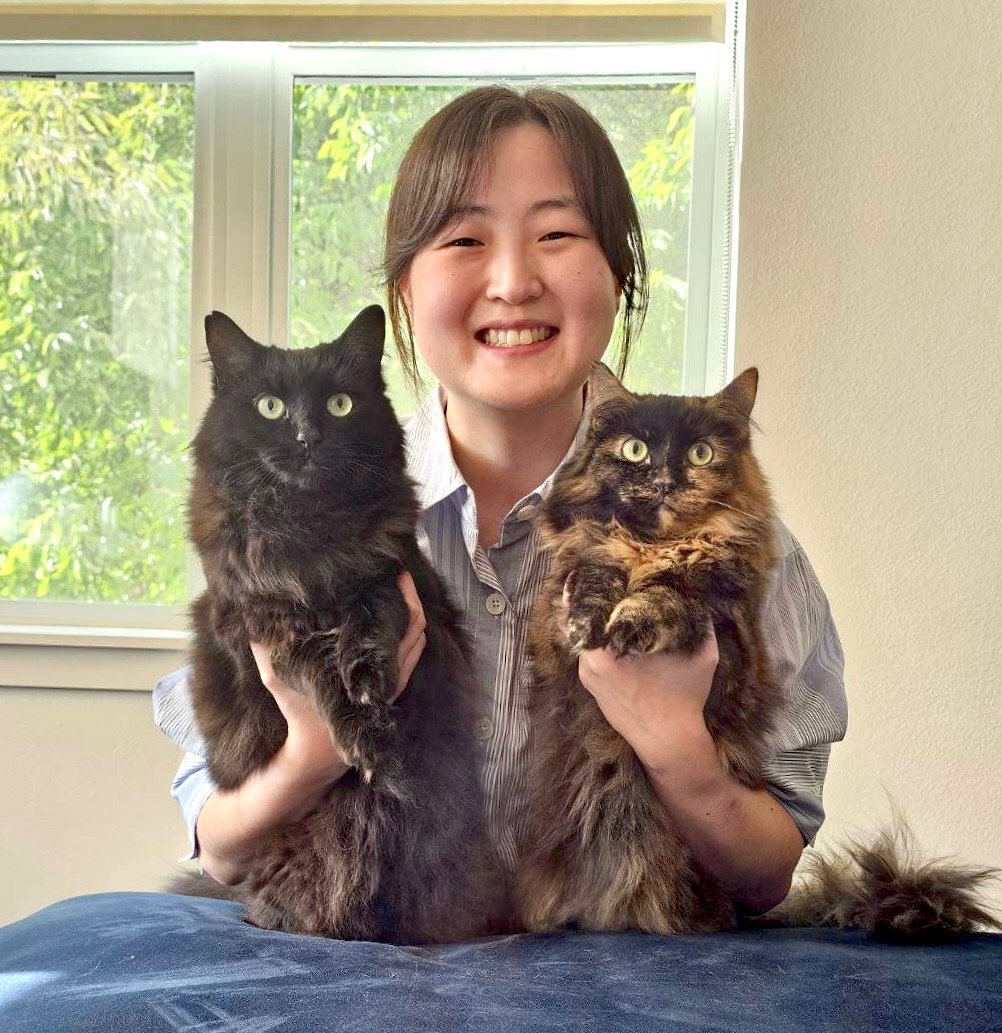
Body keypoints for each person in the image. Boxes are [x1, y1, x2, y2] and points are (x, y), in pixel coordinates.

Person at [153, 85, 847, 916]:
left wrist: (683, 755)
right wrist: (314, 749)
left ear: (617, 275)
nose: (514, 281)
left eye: (557, 234)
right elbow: (223, 850)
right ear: (405, 287)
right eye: (464, 238)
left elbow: (767, 875)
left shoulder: (735, 541)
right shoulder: (287, 519)